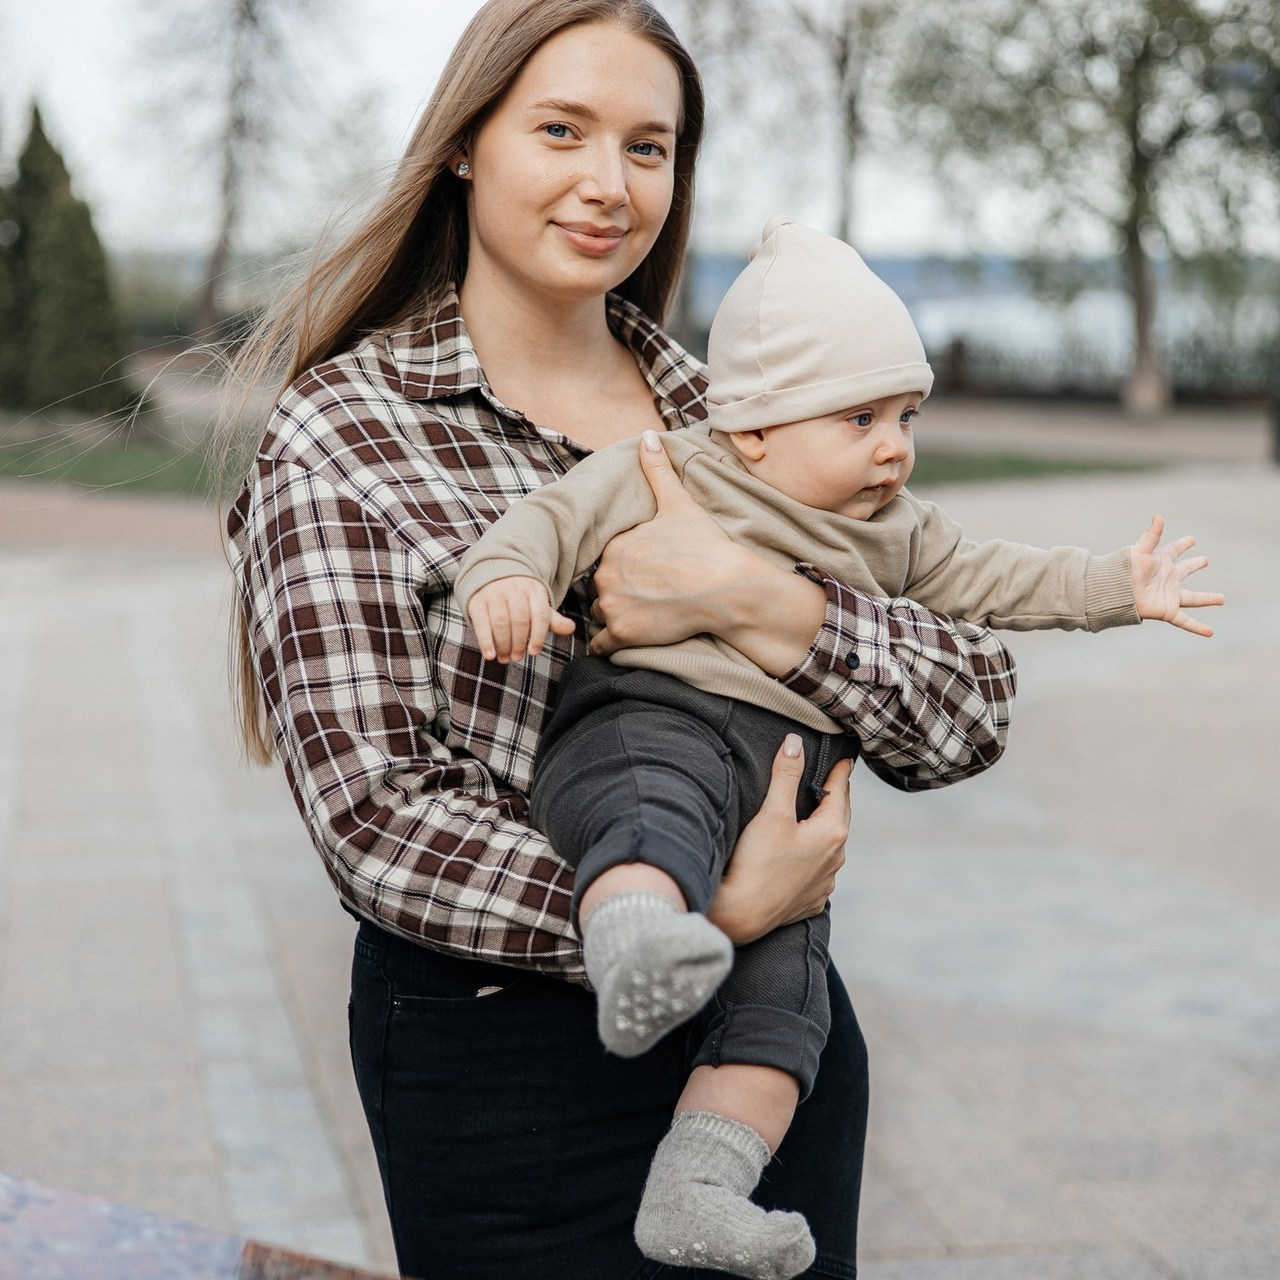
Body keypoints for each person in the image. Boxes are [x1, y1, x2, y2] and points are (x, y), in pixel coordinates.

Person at [223, 4, 1021, 1278]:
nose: (609, 183)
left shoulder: (741, 418)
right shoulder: (347, 431)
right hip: (505, 1061)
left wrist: (762, 604)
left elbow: (970, 699)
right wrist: (694, 901)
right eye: (562, 130)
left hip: (762, 1052)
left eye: (648, 148)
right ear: (467, 145)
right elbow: (374, 814)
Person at [458, 215, 1224, 1277]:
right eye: (859, 416)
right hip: (652, 721)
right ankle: (635, 935)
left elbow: (993, 578)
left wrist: (1113, 588)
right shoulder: (668, 465)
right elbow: (543, 522)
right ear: (757, 428)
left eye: (904, 414)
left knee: (786, 1011)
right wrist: (503, 581)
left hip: (784, 792)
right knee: (646, 820)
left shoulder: (893, 526)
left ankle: (695, 1188)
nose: (892, 446)